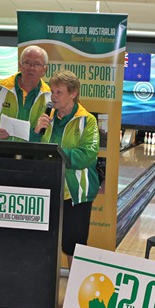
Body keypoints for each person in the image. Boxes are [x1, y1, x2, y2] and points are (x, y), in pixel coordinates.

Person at [32, 70, 99, 267]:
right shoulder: (46, 117)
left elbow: (86, 155)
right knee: (45, 243)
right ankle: (43, 292)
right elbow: (33, 150)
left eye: (59, 93)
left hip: (76, 193)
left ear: (73, 93)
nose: (53, 97)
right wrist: (36, 132)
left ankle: (73, 293)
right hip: (47, 190)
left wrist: (54, 154)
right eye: (52, 92)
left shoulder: (87, 120)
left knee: (73, 246)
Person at [0, 45, 51, 141]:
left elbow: (50, 136)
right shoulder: (0, 88)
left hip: (31, 154)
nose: (31, 68)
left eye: (37, 64)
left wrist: (36, 134)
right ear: (20, 65)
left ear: (45, 70)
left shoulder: (50, 96)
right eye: (27, 62)